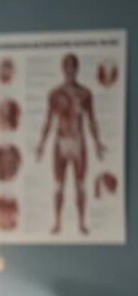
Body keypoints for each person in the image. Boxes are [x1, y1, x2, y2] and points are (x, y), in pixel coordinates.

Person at [35, 53, 106, 235]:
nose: (70, 69)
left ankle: (81, 223)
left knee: (80, 184)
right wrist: (41, 144)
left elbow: (91, 120)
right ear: (63, 68)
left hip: (78, 141)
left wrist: (97, 143)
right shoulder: (55, 94)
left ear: (77, 68)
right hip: (61, 141)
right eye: (67, 65)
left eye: (73, 65)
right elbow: (48, 120)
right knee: (59, 184)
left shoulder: (85, 94)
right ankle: (57, 222)